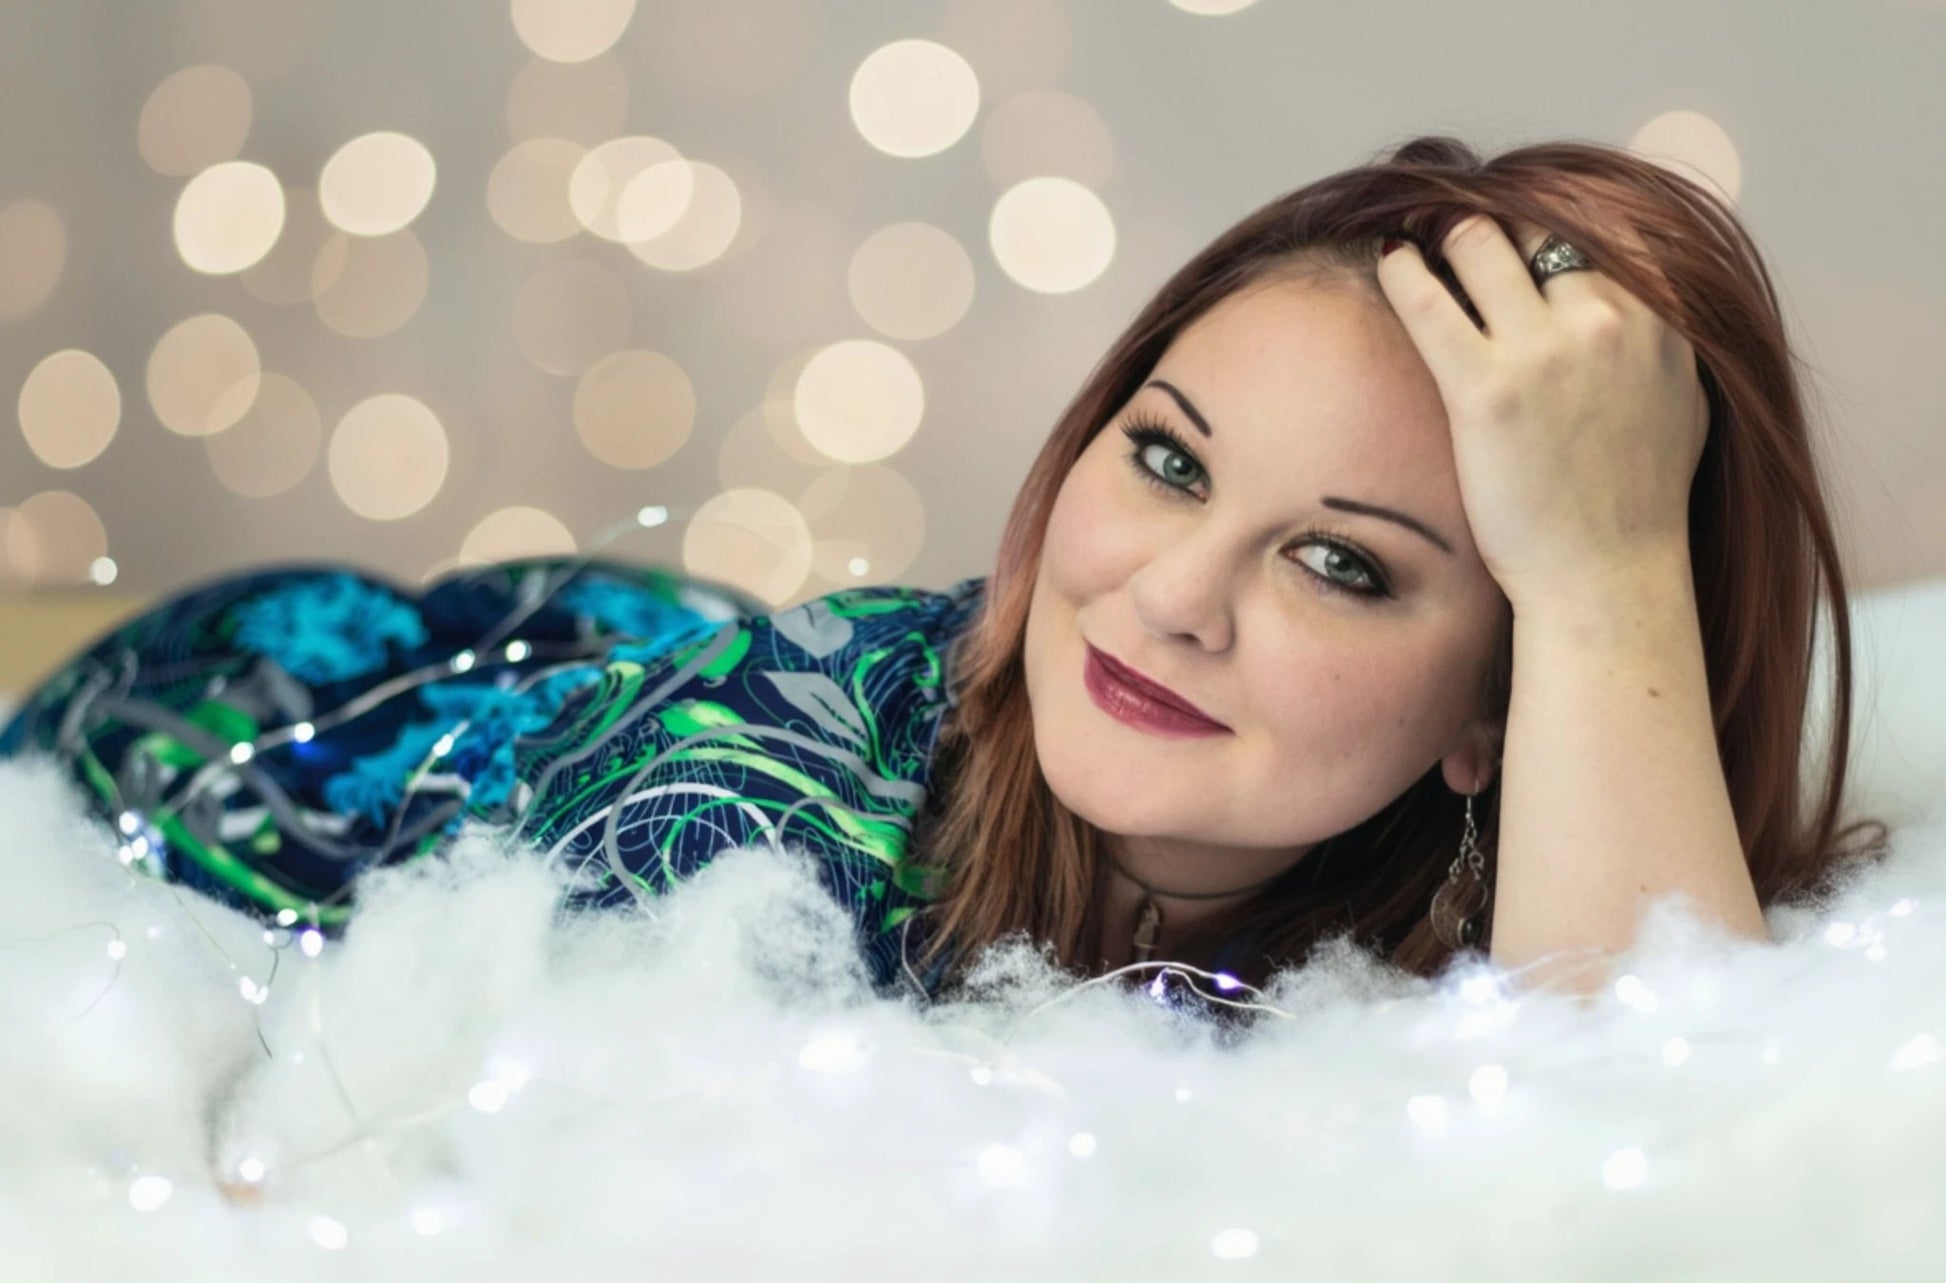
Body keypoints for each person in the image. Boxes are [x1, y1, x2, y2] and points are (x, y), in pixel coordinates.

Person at [0, 134, 1889, 1019]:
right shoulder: (729, 843)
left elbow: (1668, 1143)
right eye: (1162, 460)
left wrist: (1612, 566)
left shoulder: (1499, 854)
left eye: (1334, 562)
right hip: (283, 734)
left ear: (1509, 700)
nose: (1164, 598)